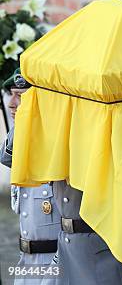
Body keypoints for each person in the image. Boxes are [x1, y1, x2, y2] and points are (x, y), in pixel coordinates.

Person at [0, 68, 62, 285]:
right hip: (26, 261)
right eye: (12, 94)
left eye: (20, 96)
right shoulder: (28, 148)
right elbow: (6, 157)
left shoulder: (57, 152)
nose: (11, 103)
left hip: (54, 264)